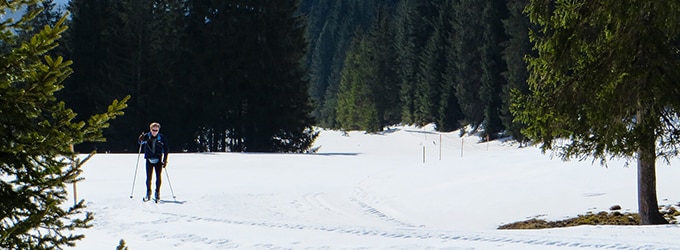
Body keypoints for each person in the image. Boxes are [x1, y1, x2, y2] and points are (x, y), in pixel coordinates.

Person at [138, 122, 169, 202]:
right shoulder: (146, 136)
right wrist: (140, 139)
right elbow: (140, 143)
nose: (155, 132)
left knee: (158, 177)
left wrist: (165, 160)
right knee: (149, 178)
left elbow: (166, 149)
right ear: (150, 129)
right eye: (153, 130)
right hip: (149, 159)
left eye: (156, 130)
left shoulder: (161, 137)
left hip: (158, 160)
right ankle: (148, 193)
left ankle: (157, 193)